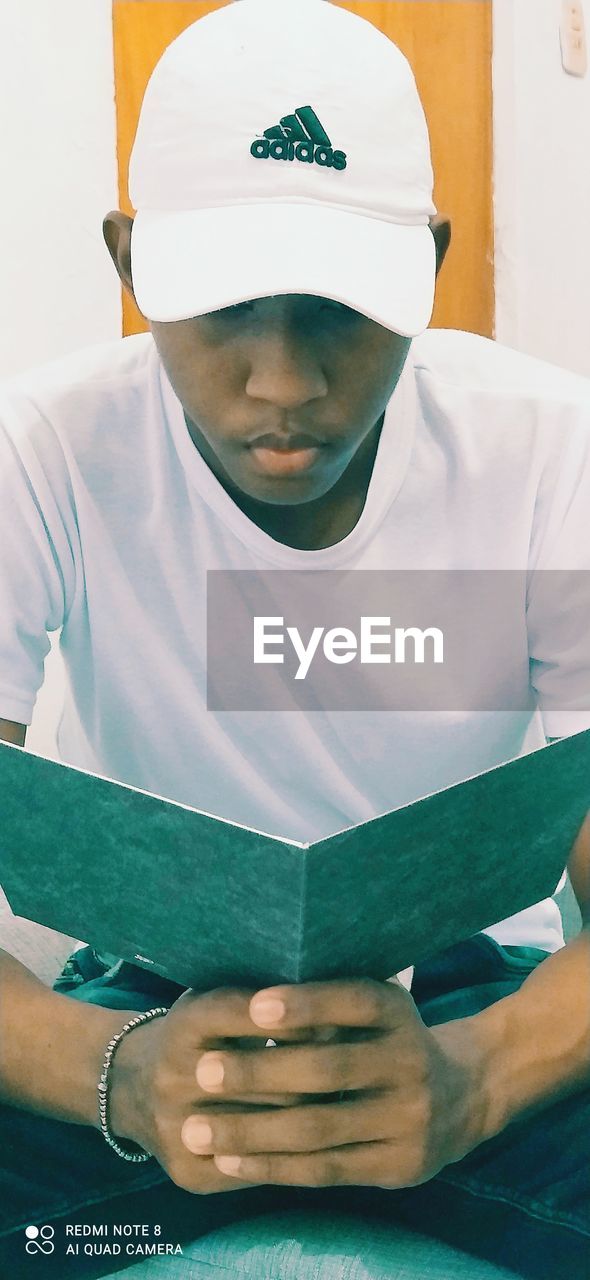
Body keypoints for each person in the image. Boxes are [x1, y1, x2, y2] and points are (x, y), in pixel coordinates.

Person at [0, 2, 589, 1277]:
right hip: (151, 1011)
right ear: (127, 259)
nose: (280, 381)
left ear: (428, 264)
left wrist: (475, 1080)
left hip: (459, 1000)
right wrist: (115, 1073)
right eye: (222, 308)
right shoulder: (41, 451)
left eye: (336, 308)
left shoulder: (546, 450)